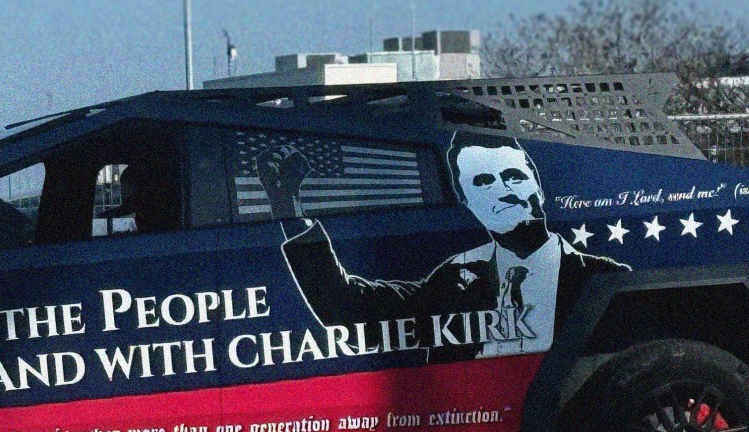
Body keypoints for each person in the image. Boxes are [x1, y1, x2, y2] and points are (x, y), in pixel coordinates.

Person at [260, 133, 626, 358]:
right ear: (467, 203)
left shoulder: (602, 279)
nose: (504, 190)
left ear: (537, 186)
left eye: (513, 176)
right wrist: (291, 211)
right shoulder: (454, 278)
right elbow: (348, 307)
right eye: (483, 182)